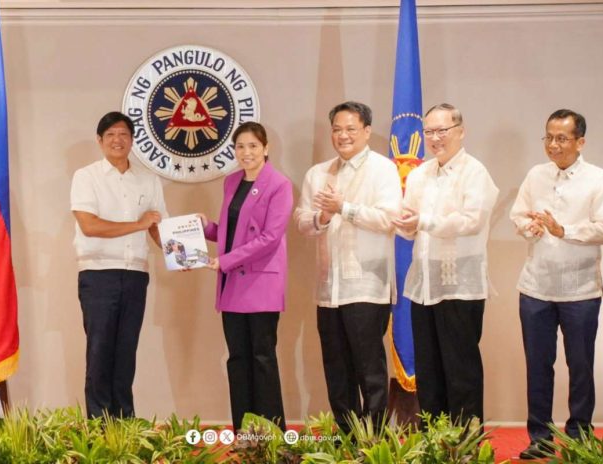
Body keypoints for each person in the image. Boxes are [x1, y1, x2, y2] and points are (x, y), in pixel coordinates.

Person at [510, 109, 603, 459]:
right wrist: (530, 227)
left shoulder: (598, 179)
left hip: (580, 289)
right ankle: (539, 436)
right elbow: (518, 215)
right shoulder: (536, 175)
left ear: (580, 142)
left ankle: (579, 435)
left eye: (562, 138)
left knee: (580, 365)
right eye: (549, 137)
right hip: (535, 287)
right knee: (538, 364)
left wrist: (563, 230)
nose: (553, 144)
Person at [294, 101, 402, 433]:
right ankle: (346, 435)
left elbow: (389, 219)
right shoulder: (318, 173)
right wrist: (322, 217)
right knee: (336, 368)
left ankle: (374, 438)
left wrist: (346, 208)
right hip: (329, 289)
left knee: (369, 368)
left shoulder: (383, 170)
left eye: (350, 129)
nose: (343, 136)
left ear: (367, 131)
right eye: (337, 129)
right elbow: (301, 222)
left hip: (367, 286)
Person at [393, 103, 498, 428]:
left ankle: (464, 442)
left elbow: (471, 221)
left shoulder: (474, 172)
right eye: (429, 132)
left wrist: (422, 220)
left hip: (460, 287)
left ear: (460, 131)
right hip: (423, 285)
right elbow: (407, 221)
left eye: (442, 131)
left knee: (460, 369)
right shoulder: (421, 173)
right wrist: (406, 224)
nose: (435, 138)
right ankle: (433, 440)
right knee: (429, 369)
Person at [71, 111, 167, 418]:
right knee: (100, 353)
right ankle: (99, 427)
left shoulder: (148, 179)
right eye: (110, 134)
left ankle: (125, 424)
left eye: (124, 134)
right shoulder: (86, 177)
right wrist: (138, 224)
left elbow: (157, 227)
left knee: (126, 353)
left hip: (136, 275)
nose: (117, 140)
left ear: (132, 140)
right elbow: (90, 225)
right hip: (98, 275)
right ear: (99, 141)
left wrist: (181, 253)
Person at [201, 121, 293, 432]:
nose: (246, 152)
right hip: (232, 283)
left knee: (262, 358)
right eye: (240, 146)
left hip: (261, 283)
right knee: (237, 358)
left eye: (253, 145)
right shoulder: (231, 182)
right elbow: (231, 232)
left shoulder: (279, 184)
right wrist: (206, 228)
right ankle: (243, 429)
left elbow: (270, 237)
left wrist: (225, 260)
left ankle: (271, 430)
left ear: (266, 148)